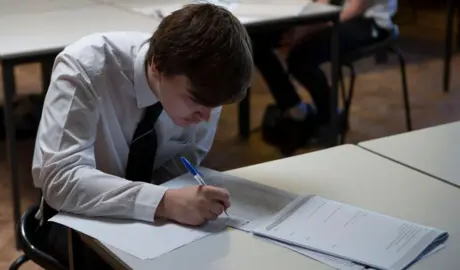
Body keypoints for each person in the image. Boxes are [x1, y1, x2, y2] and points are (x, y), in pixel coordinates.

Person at [31, 3, 253, 268]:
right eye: (196, 101)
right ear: (156, 66)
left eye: (216, 106)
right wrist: (163, 202)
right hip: (77, 220)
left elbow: (181, 165)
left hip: (153, 224)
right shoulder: (86, 67)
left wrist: (178, 201)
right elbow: (59, 180)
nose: (206, 117)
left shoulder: (204, 90)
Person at [253, 0, 397, 153]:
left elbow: (354, 9)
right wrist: (301, 25)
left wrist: (304, 32)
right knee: (257, 43)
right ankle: (295, 109)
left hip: (369, 22)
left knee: (301, 59)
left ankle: (331, 116)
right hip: (340, 14)